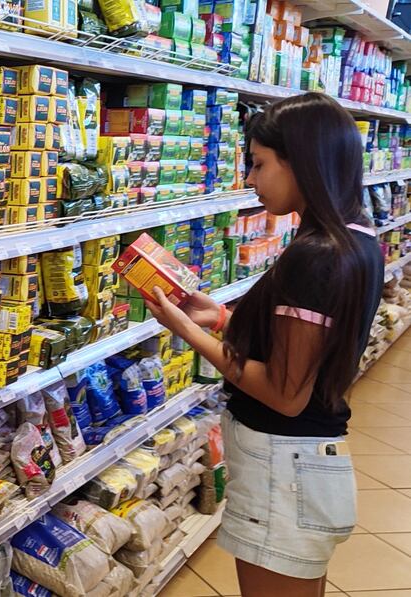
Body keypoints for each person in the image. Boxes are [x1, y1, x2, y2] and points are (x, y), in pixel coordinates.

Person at [145, 92, 384, 597]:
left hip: (283, 467)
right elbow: (306, 346)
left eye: (258, 164)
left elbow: (283, 392)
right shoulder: (356, 238)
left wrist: (188, 332)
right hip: (307, 464)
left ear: (302, 161)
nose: (250, 179)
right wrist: (222, 318)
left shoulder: (315, 255)